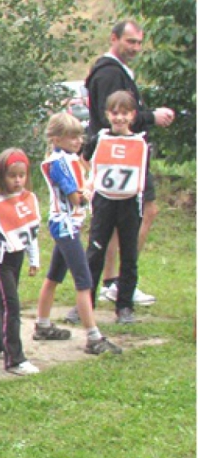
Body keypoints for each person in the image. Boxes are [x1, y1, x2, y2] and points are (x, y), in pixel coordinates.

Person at [85, 20, 175, 308]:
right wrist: (151, 117)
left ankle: (115, 281)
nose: (135, 48)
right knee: (143, 211)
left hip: (127, 155)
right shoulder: (110, 72)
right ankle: (118, 281)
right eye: (130, 42)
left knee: (123, 219)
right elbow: (111, 114)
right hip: (121, 157)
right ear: (114, 39)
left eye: (138, 42)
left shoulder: (115, 70)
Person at [36, 112, 121, 355]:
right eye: (71, 137)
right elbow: (75, 198)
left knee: (54, 275)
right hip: (64, 224)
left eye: (79, 137)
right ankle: (93, 336)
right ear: (56, 138)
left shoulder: (68, 159)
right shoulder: (60, 163)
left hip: (67, 224)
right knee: (84, 281)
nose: (77, 142)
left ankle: (42, 323)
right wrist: (90, 190)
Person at [85, 91, 150, 324]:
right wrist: (90, 184)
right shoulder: (99, 139)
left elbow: (143, 174)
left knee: (129, 254)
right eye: (115, 113)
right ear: (107, 114)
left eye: (124, 113)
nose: (119, 118)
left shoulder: (140, 143)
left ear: (132, 115)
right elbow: (86, 158)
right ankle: (85, 302)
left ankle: (124, 306)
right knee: (95, 252)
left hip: (130, 203)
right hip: (104, 201)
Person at [0, 149, 43, 375]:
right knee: (11, 306)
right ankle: (14, 358)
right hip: (0, 259)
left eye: (21, 175)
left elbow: (29, 231)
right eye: (12, 175)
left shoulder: (27, 199)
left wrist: (34, 258)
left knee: (2, 299)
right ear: (1, 176)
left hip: (17, 258)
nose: (17, 180)